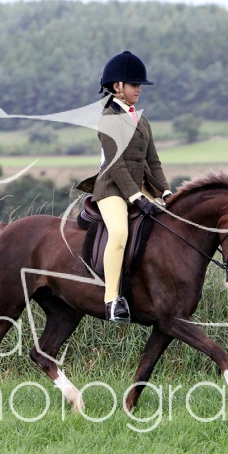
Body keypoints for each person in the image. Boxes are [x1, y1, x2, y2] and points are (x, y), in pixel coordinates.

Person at [76, 50, 172, 324]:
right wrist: (136, 197)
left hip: (141, 188)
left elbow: (153, 162)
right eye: (134, 85)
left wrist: (166, 191)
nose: (139, 90)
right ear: (117, 86)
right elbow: (116, 165)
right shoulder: (108, 119)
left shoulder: (142, 120)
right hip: (112, 189)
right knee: (119, 233)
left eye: (140, 85)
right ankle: (112, 300)